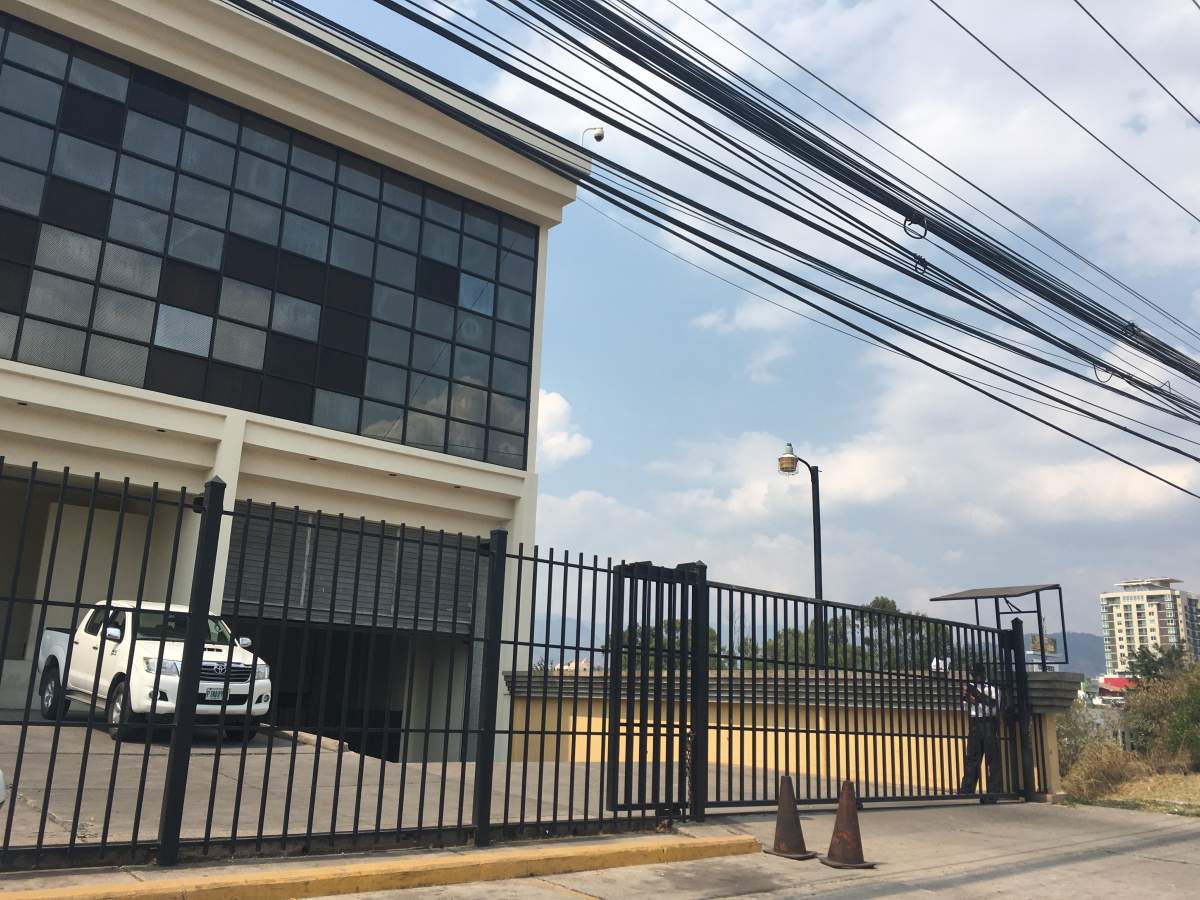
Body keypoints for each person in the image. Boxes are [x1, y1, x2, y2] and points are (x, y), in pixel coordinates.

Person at [958, 662, 1000, 800]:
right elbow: (966, 707)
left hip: (989, 723)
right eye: (974, 674)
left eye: (978, 674)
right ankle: (967, 790)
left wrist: (976, 697)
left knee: (991, 759)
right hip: (975, 723)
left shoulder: (992, 689)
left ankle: (992, 792)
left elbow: (993, 708)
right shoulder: (970, 688)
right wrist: (969, 698)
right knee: (972, 758)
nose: (976, 677)